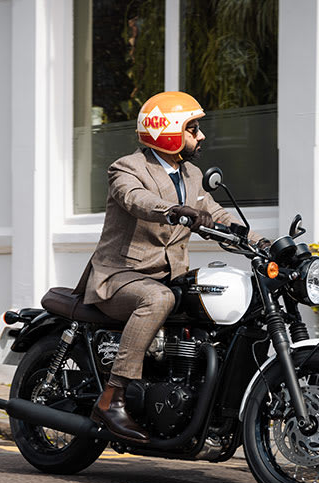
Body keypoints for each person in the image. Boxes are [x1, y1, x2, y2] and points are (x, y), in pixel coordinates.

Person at [73, 91, 260, 443]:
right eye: (194, 128)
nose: (201, 136)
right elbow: (135, 198)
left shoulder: (191, 175)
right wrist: (171, 211)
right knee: (157, 300)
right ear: (169, 131)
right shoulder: (128, 167)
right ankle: (112, 397)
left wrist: (260, 241)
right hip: (119, 277)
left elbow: (216, 216)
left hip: (166, 277)